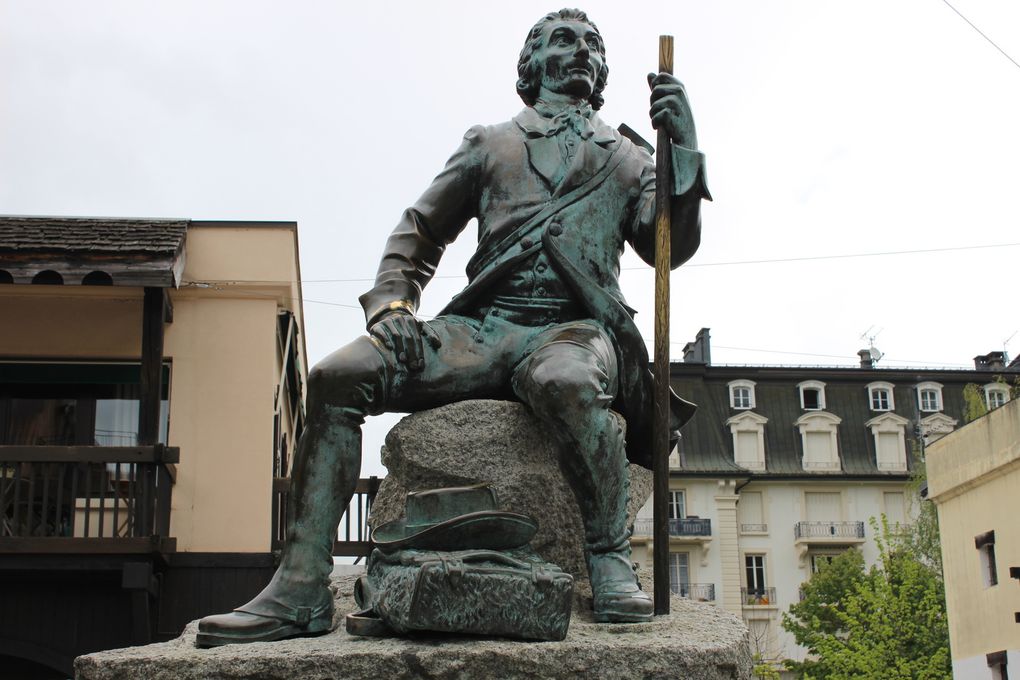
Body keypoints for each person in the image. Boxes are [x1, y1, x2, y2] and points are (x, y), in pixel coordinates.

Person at [197, 7, 710, 646]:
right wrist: (392, 308)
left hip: (572, 331)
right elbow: (418, 233)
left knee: (567, 384)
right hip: (482, 327)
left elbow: (669, 249)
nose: (579, 50)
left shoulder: (632, 158)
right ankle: (301, 586)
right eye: (561, 40)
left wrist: (683, 150)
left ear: (603, 69)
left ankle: (607, 557)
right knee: (336, 376)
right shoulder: (489, 142)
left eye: (591, 44)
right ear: (531, 66)